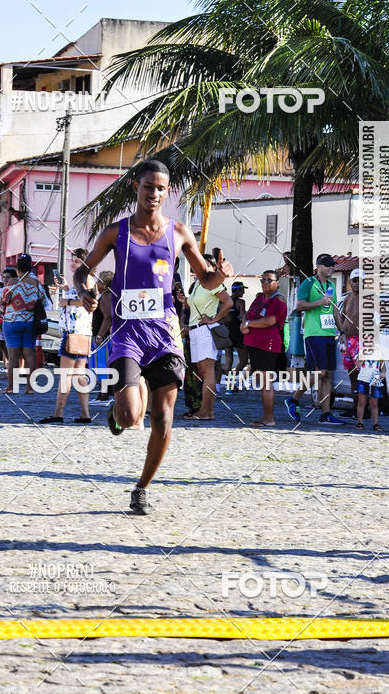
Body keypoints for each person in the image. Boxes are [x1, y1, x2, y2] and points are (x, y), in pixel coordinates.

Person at [74, 159, 233, 515]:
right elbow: (84, 271)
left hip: (165, 335)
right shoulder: (116, 232)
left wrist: (220, 275)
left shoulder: (179, 232)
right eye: (149, 187)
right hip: (127, 334)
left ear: (167, 191)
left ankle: (142, 488)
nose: (155, 194)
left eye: (161, 188)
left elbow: (204, 279)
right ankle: (117, 414)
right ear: (136, 187)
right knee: (132, 416)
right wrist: (84, 289)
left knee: (163, 416)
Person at [284, 254, 345, 426]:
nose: (331, 268)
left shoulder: (331, 285)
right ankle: (294, 399)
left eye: (333, 266)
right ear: (318, 266)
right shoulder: (309, 283)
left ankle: (325, 414)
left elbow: (334, 311)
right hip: (313, 333)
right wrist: (319, 302)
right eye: (328, 266)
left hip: (328, 334)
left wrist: (342, 331)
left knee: (327, 376)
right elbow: (299, 306)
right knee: (321, 372)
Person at [40, 248, 94, 424]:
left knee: (66, 375)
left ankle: (58, 412)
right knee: (79, 375)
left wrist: (67, 301)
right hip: (82, 333)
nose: (73, 263)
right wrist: (66, 288)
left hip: (74, 333)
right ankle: (85, 414)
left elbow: (90, 301)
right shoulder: (82, 280)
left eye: (77, 261)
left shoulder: (87, 279)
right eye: (73, 260)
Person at [179, 255, 232, 420]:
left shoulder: (213, 284)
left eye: (206, 265)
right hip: (195, 330)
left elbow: (228, 302)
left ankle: (207, 411)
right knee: (202, 371)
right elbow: (199, 305)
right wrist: (185, 302)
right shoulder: (197, 285)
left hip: (205, 330)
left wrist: (214, 319)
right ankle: (205, 410)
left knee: (207, 371)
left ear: (212, 268)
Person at [241, 271, 287, 427]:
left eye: (269, 280)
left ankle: (269, 418)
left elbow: (269, 321)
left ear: (277, 282)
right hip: (254, 344)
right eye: (263, 280)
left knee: (266, 383)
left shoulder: (279, 301)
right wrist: (244, 323)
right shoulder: (259, 297)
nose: (265, 282)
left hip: (268, 346)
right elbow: (248, 314)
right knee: (261, 383)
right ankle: (265, 416)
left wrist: (248, 325)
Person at [0, 253, 46, 395]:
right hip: (30, 322)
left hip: (12, 322)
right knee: (29, 354)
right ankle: (30, 387)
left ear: (18, 268)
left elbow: (3, 299)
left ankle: (11, 387)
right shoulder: (37, 284)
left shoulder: (13, 282)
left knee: (13, 356)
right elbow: (43, 301)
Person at [338, 268, 363, 417]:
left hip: (362, 341)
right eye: (354, 280)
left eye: (360, 280)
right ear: (350, 282)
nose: (357, 283)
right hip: (349, 341)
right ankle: (355, 407)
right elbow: (342, 317)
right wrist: (342, 334)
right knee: (352, 376)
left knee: (364, 377)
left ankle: (363, 409)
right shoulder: (347, 298)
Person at [89, 270, 114, 405]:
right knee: (100, 364)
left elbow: (108, 317)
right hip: (102, 335)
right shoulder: (105, 295)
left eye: (99, 281)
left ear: (104, 284)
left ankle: (104, 394)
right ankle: (101, 393)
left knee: (103, 365)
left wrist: (100, 335)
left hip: (103, 336)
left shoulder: (107, 296)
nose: (96, 283)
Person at [223, 281, 248, 380]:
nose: (243, 293)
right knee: (244, 360)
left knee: (228, 358)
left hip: (227, 332)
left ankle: (228, 378)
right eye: (242, 290)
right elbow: (243, 315)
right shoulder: (240, 302)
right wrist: (246, 326)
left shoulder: (225, 301)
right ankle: (233, 377)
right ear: (237, 290)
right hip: (238, 333)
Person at [355, 358, 384, 431]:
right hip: (362, 379)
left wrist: (383, 372)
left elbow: (383, 367)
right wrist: (362, 357)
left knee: (374, 403)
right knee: (361, 402)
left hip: (375, 379)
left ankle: (375, 424)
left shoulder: (379, 354)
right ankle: (359, 422)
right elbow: (358, 365)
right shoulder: (363, 351)